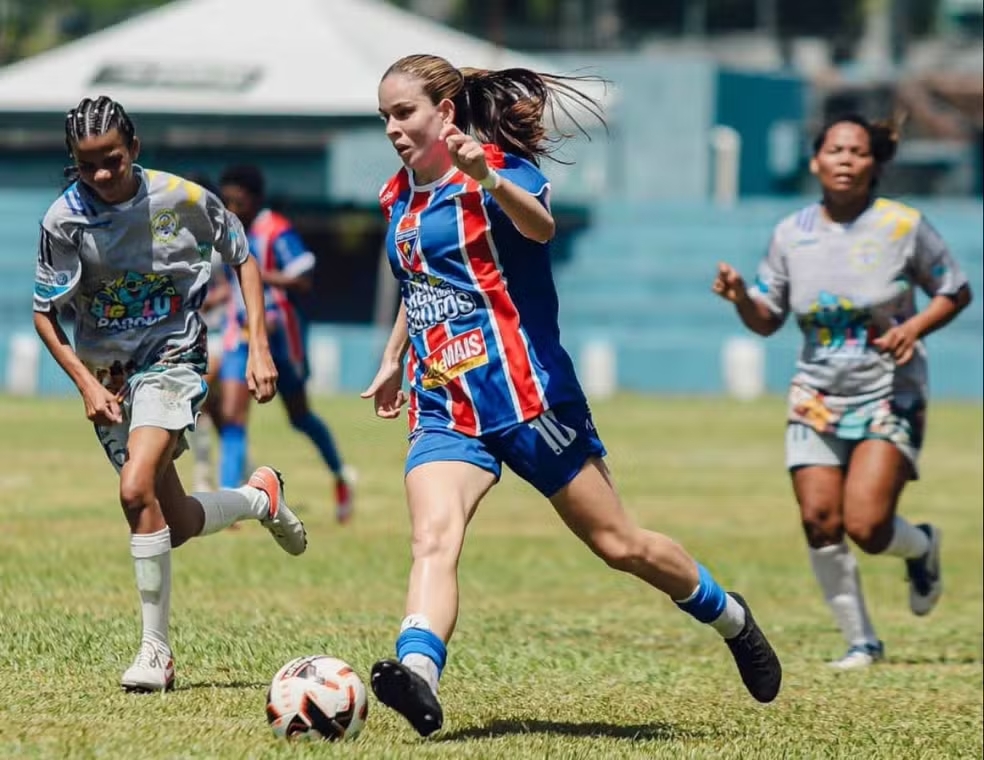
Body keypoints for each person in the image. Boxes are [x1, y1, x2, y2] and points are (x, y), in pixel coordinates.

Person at [360, 53, 782, 738]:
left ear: (444, 112)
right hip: (444, 402)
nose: (392, 128)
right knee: (433, 538)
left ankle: (729, 615)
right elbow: (420, 284)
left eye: (403, 113)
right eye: (383, 117)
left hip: (529, 399)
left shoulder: (499, 170)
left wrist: (485, 176)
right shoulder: (397, 196)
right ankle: (419, 676)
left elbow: (540, 229)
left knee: (619, 544)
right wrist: (391, 359)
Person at [33, 96, 307, 693]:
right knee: (173, 521)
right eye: (87, 165)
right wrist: (84, 382)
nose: (102, 174)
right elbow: (45, 315)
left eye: (112, 159)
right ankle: (260, 498)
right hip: (108, 381)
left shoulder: (183, 199)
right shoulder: (64, 220)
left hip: (171, 358)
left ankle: (155, 653)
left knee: (134, 489)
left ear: (132, 146)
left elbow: (244, 258)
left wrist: (259, 347)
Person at [712, 114, 973, 670]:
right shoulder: (791, 233)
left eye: (858, 151)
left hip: (889, 391)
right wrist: (739, 296)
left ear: (874, 163)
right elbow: (767, 318)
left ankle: (920, 546)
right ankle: (862, 642)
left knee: (867, 526)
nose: (846, 159)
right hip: (816, 395)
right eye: (835, 150)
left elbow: (955, 288)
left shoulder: (903, 225)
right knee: (819, 520)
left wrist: (912, 328)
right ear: (816, 161)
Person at [217, 166, 354, 522]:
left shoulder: (276, 230)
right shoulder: (227, 230)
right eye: (226, 200)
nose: (231, 207)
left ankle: (340, 475)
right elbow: (228, 285)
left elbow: (304, 279)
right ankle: (229, 503)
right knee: (232, 417)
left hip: (281, 337)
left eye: (238, 201)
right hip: (240, 333)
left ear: (256, 200)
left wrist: (259, 275)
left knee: (299, 416)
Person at [183, 172, 231, 492]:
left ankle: (204, 482)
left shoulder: (218, 243)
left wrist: (205, 302)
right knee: (218, 417)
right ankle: (248, 476)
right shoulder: (174, 241)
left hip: (217, 335)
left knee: (194, 402)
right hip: (188, 335)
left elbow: (230, 289)